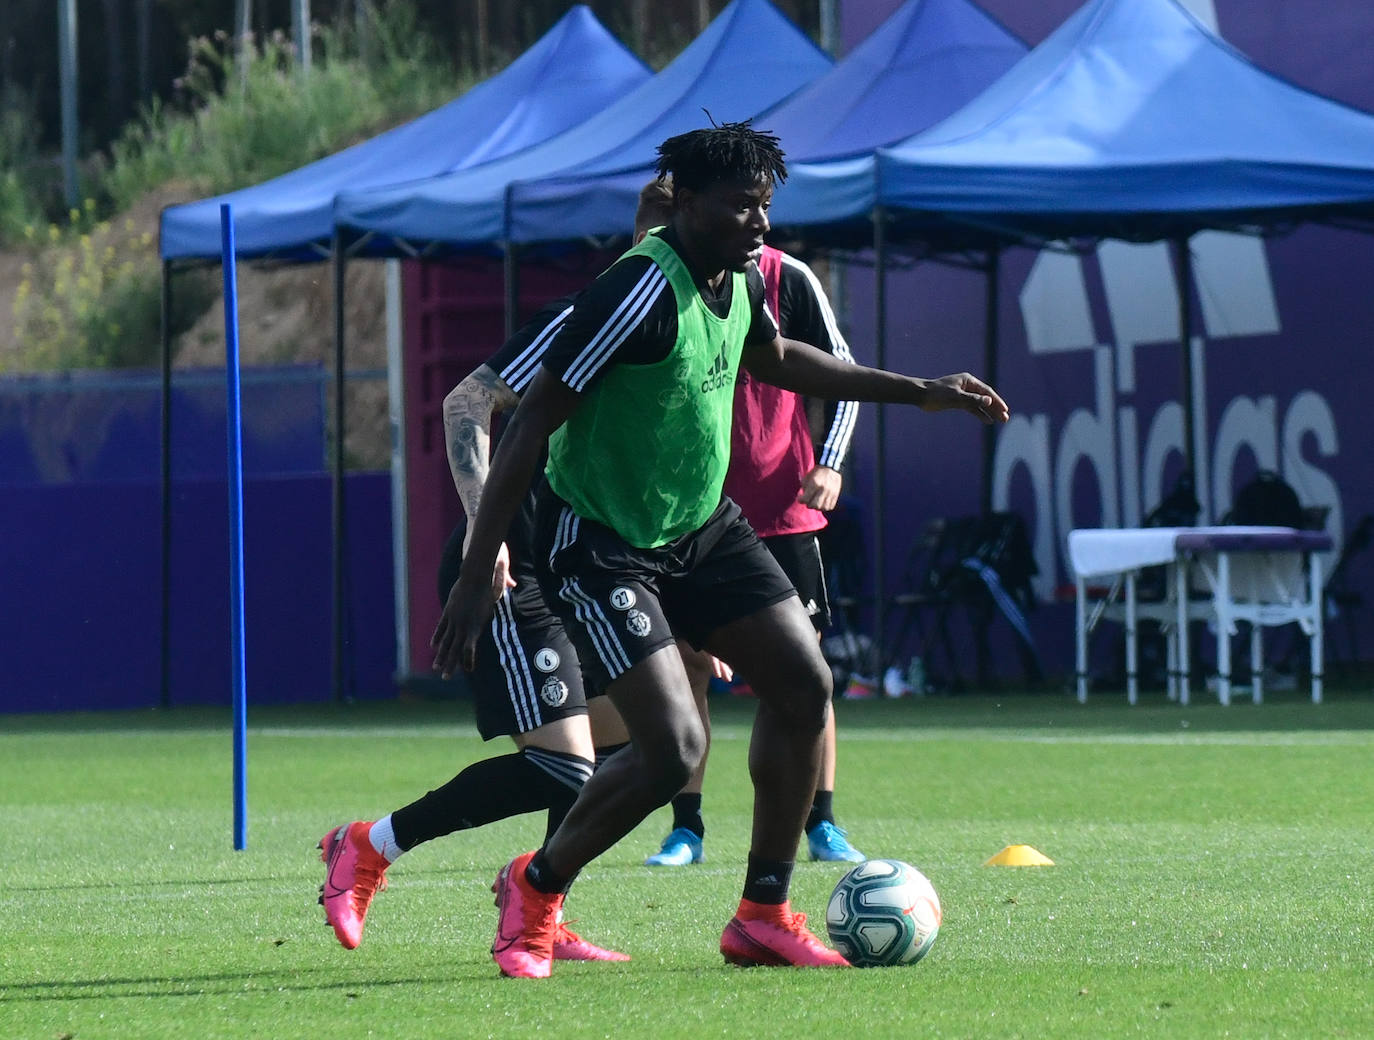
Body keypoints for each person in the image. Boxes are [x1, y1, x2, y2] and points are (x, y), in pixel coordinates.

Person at [433, 120, 1008, 978]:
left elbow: (778, 359)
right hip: (602, 543)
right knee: (673, 751)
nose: (761, 223)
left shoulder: (736, 278)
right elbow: (522, 432)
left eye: (767, 205)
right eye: (743, 205)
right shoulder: (634, 292)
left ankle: (763, 914)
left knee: (805, 684)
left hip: (700, 525)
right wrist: (478, 574)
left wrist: (920, 391)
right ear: (690, 202)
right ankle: (537, 888)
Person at [316, 289, 638, 962]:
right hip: (512, 573)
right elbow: (466, 401)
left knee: (634, 748)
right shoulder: (598, 313)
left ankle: (544, 906)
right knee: (565, 768)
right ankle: (371, 845)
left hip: (590, 573)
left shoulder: (703, 326)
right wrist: (486, 533)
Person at [634, 177, 866, 868]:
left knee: (803, 672)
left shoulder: (783, 278)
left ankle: (819, 823)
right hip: (685, 519)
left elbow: (841, 370)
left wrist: (830, 461)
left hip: (778, 515)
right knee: (689, 669)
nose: (753, 223)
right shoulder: (648, 284)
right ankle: (687, 828)